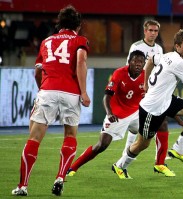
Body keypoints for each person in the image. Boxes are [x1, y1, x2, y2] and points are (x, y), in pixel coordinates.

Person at [11, 5, 90, 196]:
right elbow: (80, 61)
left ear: (59, 24)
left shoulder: (46, 41)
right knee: (70, 135)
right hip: (70, 93)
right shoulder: (80, 40)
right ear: (78, 26)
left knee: (35, 138)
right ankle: (60, 177)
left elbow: (38, 71)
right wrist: (84, 92)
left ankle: (23, 186)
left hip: (48, 91)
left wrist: (43, 88)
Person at [112, 29, 183, 179]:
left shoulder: (167, 55)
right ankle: (120, 165)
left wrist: (145, 83)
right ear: (177, 47)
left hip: (166, 100)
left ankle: (179, 150)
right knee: (142, 144)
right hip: (152, 109)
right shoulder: (179, 63)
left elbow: (150, 60)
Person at [66, 50, 146, 178]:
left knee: (148, 137)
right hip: (117, 114)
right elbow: (107, 97)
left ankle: (121, 165)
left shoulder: (146, 75)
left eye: (141, 62)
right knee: (102, 145)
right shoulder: (119, 73)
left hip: (136, 113)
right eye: (135, 61)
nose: (138, 64)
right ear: (129, 62)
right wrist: (109, 113)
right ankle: (73, 167)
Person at [123, 20, 183, 177]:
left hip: (153, 89)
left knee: (159, 123)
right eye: (150, 30)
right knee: (135, 123)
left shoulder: (158, 48)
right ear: (145, 31)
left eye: (156, 31)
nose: (153, 33)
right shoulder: (136, 46)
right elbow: (128, 68)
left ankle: (157, 160)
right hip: (138, 88)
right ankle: (128, 153)